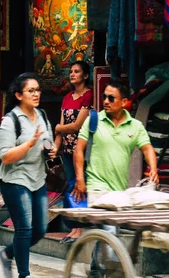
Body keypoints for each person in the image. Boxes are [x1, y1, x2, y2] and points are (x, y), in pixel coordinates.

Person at [0, 73, 57, 278]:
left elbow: (48, 143)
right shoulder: (10, 120)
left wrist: (52, 152)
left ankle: (7, 254)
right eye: (31, 90)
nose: (36, 94)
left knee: (40, 229)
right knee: (24, 228)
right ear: (19, 95)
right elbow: (5, 157)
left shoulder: (42, 115)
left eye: (38, 90)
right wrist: (29, 144)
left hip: (37, 177)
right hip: (14, 179)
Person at [71, 78, 159, 206]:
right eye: (104, 97)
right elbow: (78, 149)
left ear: (124, 102)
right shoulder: (93, 120)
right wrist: (79, 179)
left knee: (113, 226)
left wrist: (154, 169)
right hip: (95, 187)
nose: (106, 101)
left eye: (111, 98)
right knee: (106, 226)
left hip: (120, 191)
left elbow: (147, 148)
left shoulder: (136, 126)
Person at [53, 61, 93, 244]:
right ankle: (74, 227)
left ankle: (81, 228)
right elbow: (61, 129)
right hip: (67, 149)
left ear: (85, 76)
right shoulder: (67, 97)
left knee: (80, 184)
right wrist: (55, 146)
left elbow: (77, 126)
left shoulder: (88, 96)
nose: (72, 74)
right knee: (70, 185)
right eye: (71, 71)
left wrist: (59, 127)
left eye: (77, 72)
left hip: (82, 149)